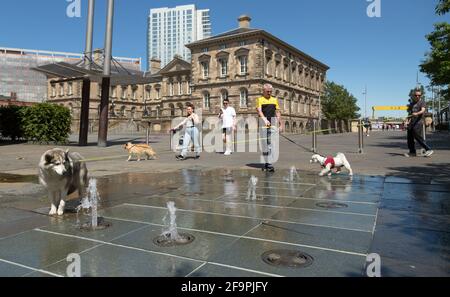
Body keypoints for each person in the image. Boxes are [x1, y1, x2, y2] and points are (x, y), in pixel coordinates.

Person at [256, 84, 283, 172]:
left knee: (271, 143)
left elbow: (278, 112)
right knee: (265, 144)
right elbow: (259, 111)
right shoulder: (260, 100)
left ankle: (269, 163)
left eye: (271, 91)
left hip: (273, 124)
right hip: (263, 124)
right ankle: (267, 162)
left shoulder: (274, 100)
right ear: (263, 91)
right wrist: (264, 120)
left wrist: (280, 124)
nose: (269, 93)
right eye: (267, 91)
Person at [405, 89, 434, 157]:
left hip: (418, 122)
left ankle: (428, 149)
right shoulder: (411, 104)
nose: (417, 96)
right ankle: (412, 152)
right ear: (413, 95)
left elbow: (422, 110)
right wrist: (407, 121)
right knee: (409, 138)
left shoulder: (422, 102)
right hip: (411, 122)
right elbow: (410, 114)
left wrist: (417, 113)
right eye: (416, 95)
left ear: (421, 96)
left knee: (417, 137)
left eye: (419, 95)